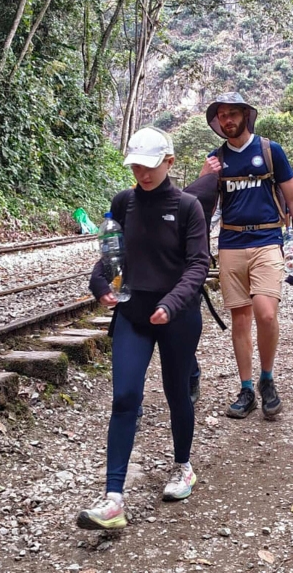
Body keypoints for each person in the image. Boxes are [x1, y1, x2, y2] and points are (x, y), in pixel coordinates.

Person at [77, 127, 209, 530]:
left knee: (176, 393)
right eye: (135, 166)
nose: (142, 173)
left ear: (169, 162)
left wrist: (171, 304)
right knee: (125, 398)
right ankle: (113, 497)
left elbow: (199, 264)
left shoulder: (188, 207)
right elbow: (110, 256)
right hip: (134, 315)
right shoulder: (123, 202)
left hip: (177, 316)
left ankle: (183, 467)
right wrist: (100, 284)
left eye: (149, 166)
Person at [200, 92, 293, 419]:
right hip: (231, 244)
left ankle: (267, 379)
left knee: (265, 313)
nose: (228, 120)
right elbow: (202, 205)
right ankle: (246, 388)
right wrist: (205, 175)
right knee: (240, 319)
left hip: (267, 239)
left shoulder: (270, 151)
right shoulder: (215, 159)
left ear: (246, 116)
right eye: (222, 115)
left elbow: (292, 196)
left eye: (233, 114)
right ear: (218, 121)